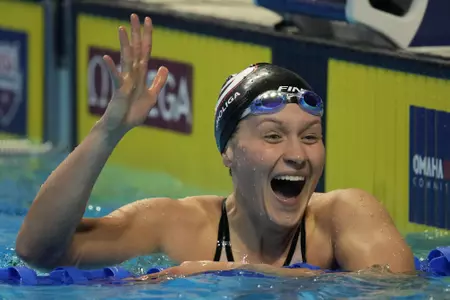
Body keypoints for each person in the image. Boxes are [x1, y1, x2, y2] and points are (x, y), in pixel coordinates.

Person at [15, 13, 415, 279]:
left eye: (310, 137)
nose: (297, 154)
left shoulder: (345, 215)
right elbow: (38, 252)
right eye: (273, 135)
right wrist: (107, 132)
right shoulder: (177, 226)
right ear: (229, 151)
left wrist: (217, 272)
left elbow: (396, 289)